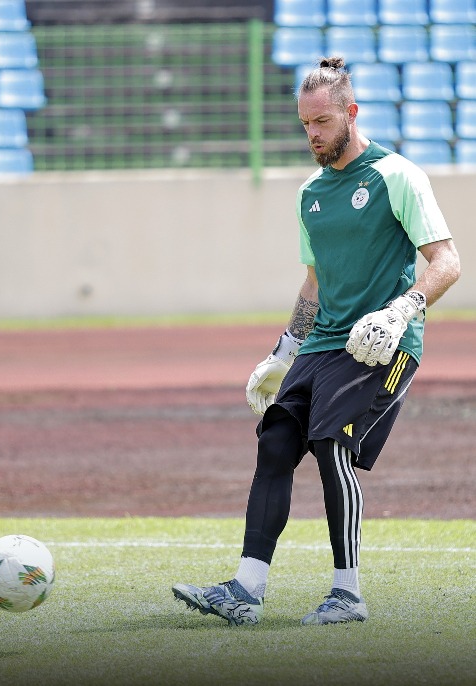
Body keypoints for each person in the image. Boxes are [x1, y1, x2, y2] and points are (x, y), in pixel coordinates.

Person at [172, 56, 461, 626]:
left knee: (332, 444)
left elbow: (446, 261)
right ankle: (245, 591)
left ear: (351, 112)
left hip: (381, 344)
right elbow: (314, 284)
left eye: (322, 122)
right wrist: (284, 350)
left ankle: (347, 595)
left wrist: (401, 311)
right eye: (305, 124)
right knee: (275, 443)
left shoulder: (397, 175)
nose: (313, 134)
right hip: (322, 343)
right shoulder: (310, 193)